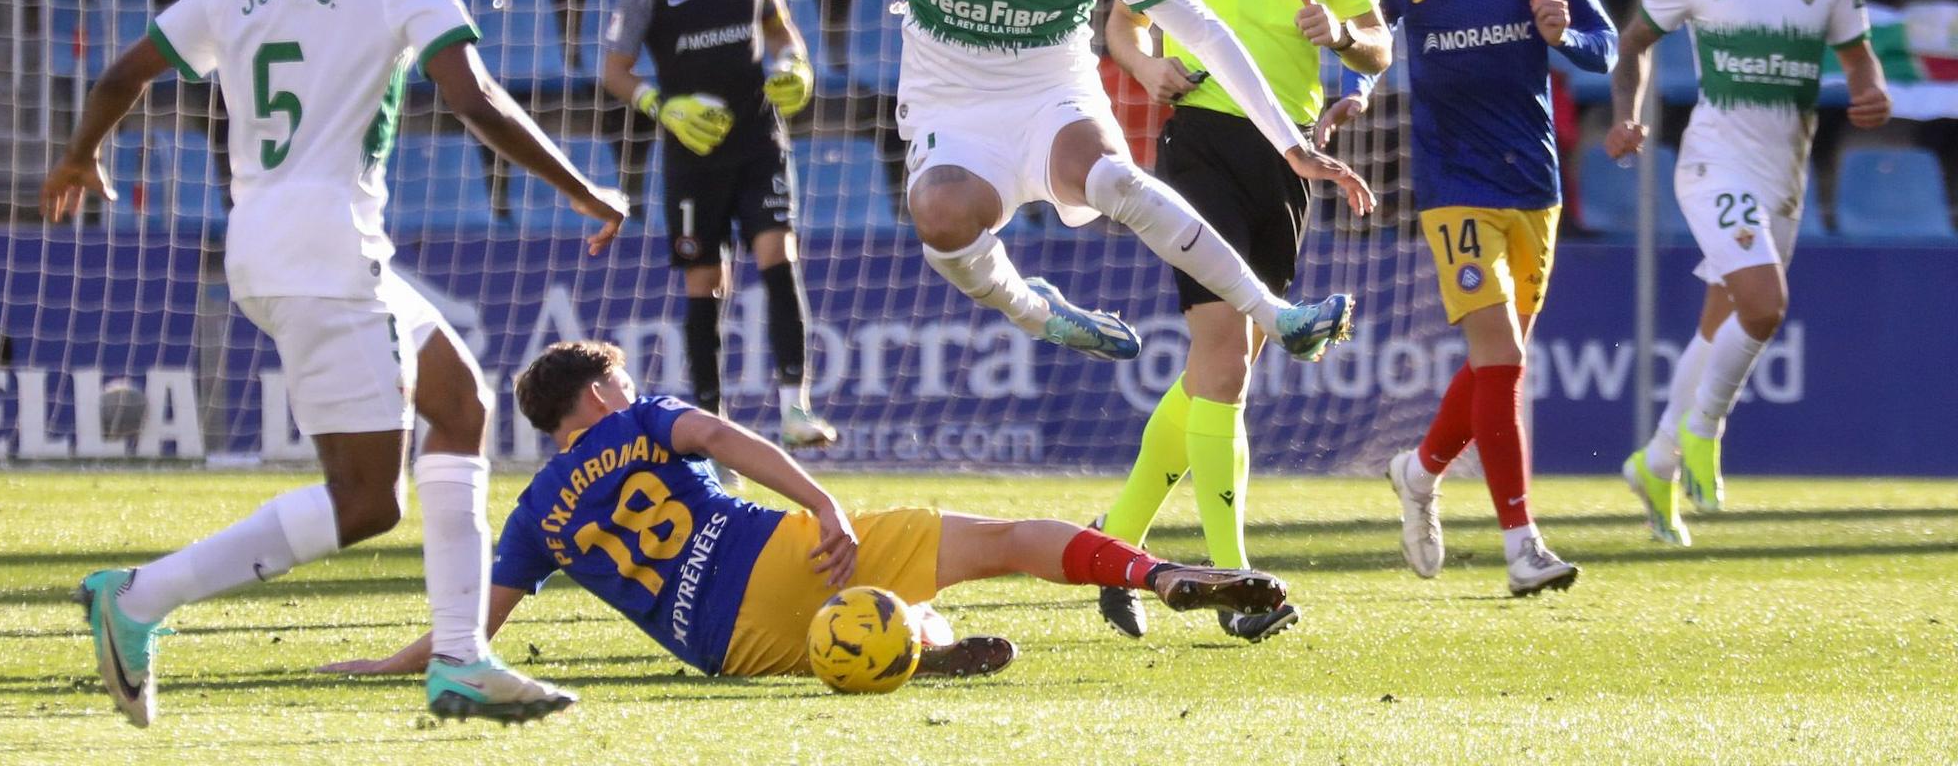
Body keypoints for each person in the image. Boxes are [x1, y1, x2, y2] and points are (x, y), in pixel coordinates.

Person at [43, 0, 629, 728]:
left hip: (273, 238)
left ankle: (459, 657)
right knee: (365, 506)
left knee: (458, 402)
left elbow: (122, 75)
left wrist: (81, 155)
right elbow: (473, 98)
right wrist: (585, 190)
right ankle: (139, 596)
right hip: (325, 252)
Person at [568, 0, 1373, 371]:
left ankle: (1278, 312)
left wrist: (1288, 139)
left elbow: (1200, 26)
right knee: (942, 216)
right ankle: (1037, 312)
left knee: (1111, 180)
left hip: (1052, 88)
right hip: (951, 104)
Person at [317, 340, 1294, 681]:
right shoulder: (646, 416)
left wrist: (371, 660)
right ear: (601, 395)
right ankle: (1158, 572)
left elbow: (466, 638)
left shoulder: (535, 510)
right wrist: (822, 500)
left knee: (895, 617)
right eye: (621, 377)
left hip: (730, 646)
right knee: (1002, 542)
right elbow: (737, 444)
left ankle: (911, 641)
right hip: (777, 555)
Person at [1095, 0, 1391, 643]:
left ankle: (1114, 545)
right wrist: (1146, 67)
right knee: (1224, 357)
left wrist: (1339, 35)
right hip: (1201, 147)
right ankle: (1234, 581)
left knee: (1222, 371)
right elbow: (1122, 22)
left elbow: (1377, 48)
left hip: (1288, 155)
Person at [1611, 0, 1890, 547]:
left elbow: (1860, 62)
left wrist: (1871, 93)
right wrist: (1627, 116)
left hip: (1784, 175)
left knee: (1720, 320)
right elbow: (1635, 42)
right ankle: (1705, 430)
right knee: (1765, 307)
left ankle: (1657, 462)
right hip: (1712, 163)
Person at [1366, 0, 1617, 597]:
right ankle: (1522, 545)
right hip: (1451, 183)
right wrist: (1342, 85)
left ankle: (1418, 469)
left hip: (1532, 183)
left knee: (1493, 369)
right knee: (1501, 355)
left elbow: (1604, 47)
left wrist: (1563, 32)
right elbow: (1367, 47)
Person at [598, 0, 838, 471]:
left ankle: (795, 406)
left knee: (778, 256)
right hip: (692, 156)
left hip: (760, 142)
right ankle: (715, 435)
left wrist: (794, 68)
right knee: (706, 284)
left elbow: (784, 36)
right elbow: (615, 71)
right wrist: (660, 104)